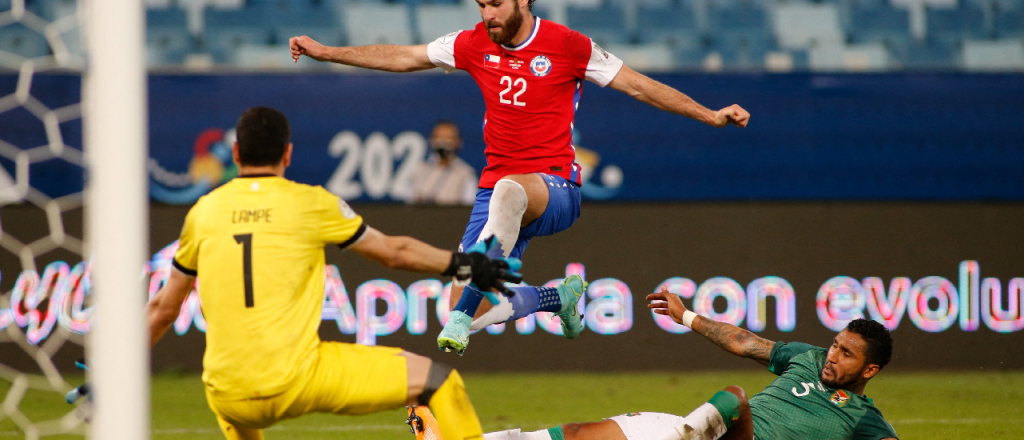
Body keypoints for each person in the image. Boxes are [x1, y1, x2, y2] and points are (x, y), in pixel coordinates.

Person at [289, 0, 751, 355]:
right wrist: (326, 52)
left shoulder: (569, 45)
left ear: (524, 1)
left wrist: (709, 115)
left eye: (495, 4)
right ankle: (557, 299)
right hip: (494, 195)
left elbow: (639, 86)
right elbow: (404, 57)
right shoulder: (473, 43)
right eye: (481, 5)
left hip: (555, 189)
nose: (487, 14)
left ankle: (465, 312)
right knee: (461, 310)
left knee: (510, 193)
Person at [143, 107, 521, 440]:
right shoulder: (310, 202)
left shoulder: (203, 213)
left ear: (237, 153)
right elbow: (394, 253)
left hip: (226, 391)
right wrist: (467, 265)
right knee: (441, 382)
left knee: (235, 408)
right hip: (297, 378)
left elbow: (162, 309)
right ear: (287, 154)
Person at [483, 291, 899, 440]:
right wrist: (685, 316)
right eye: (835, 344)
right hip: (701, 431)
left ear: (870, 370)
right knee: (578, 434)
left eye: (846, 354)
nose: (832, 355)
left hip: (739, 435)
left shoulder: (865, 419)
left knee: (734, 398)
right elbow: (746, 342)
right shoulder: (808, 357)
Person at [408, 120, 478, 206]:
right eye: (438, 138)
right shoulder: (419, 170)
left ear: (458, 142)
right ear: (431, 140)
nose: (443, 143)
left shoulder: (466, 174)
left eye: (448, 138)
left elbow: (469, 207)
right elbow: (409, 204)